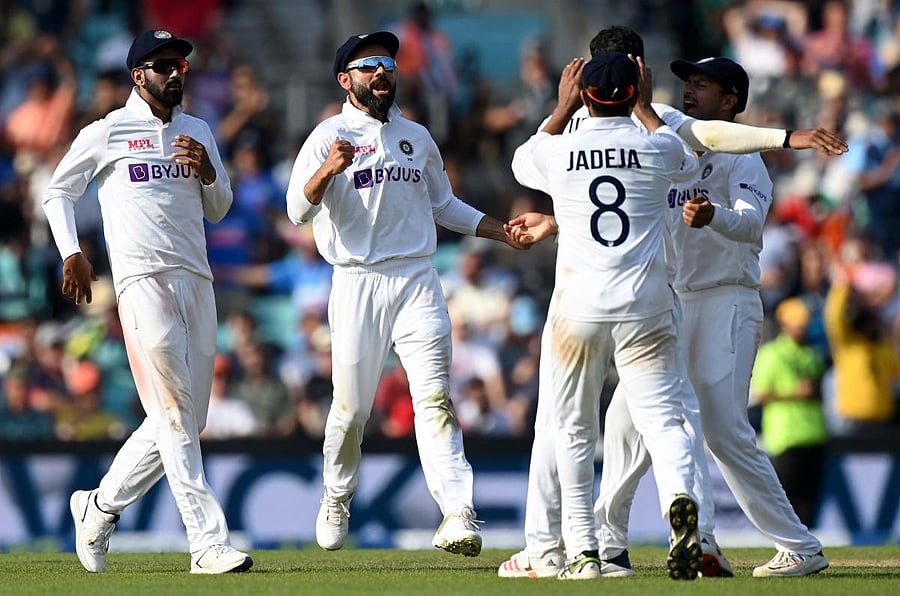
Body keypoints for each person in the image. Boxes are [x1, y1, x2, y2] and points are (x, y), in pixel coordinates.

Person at [499, 25, 846, 580]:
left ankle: (788, 544)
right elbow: (622, 218)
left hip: (724, 299)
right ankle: (613, 543)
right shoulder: (658, 135)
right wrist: (560, 223)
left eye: (704, 85)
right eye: (688, 82)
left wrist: (777, 147)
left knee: (719, 429)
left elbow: (742, 208)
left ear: (730, 102)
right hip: (663, 303)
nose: (691, 91)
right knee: (630, 428)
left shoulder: (698, 139)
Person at [285, 30, 526, 558]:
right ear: (346, 79)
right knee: (350, 410)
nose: (382, 72)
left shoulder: (417, 136)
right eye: (369, 65)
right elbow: (296, 212)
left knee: (436, 398)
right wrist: (328, 171)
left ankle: (458, 512)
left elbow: (445, 206)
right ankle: (337, 495)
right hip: (357, 281)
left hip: (417, 279)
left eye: (388, 64)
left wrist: (500, 229)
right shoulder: (327, 136)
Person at [41, 30, 252, 574]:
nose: (176, 72)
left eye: (180, 63)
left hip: (196, 280)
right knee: (177, 415)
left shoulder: (198, 129)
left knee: (182, 418)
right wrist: (72, 252)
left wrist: (207, 171)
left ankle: (98, 506)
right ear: (139, 76)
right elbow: (57, 191)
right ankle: (206, 544)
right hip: (142, 283)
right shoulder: (109, 131)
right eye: (163, 65)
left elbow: (221, 208)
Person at [510, 50, 703, 581]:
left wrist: (558, 107)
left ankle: (584, 553)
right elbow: (685, 159)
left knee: (573, 428)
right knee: (663, 420)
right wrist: (644, 106)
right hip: (646, 304)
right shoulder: (658, 145)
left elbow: (521, 160)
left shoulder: (560, 149)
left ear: (586, 96)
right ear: (633, 92)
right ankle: (680, 502)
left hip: (581, 309)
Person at [751, 297, 828, 527]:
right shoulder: (772, 354)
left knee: (811, 500)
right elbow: (759, 394)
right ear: (784, 323)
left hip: (814, 434)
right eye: (797, 323)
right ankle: (789, 546)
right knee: (787, 500)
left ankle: (808, 547)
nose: (801, 328)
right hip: (786, 437)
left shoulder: (813, 354)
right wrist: (796, 393)